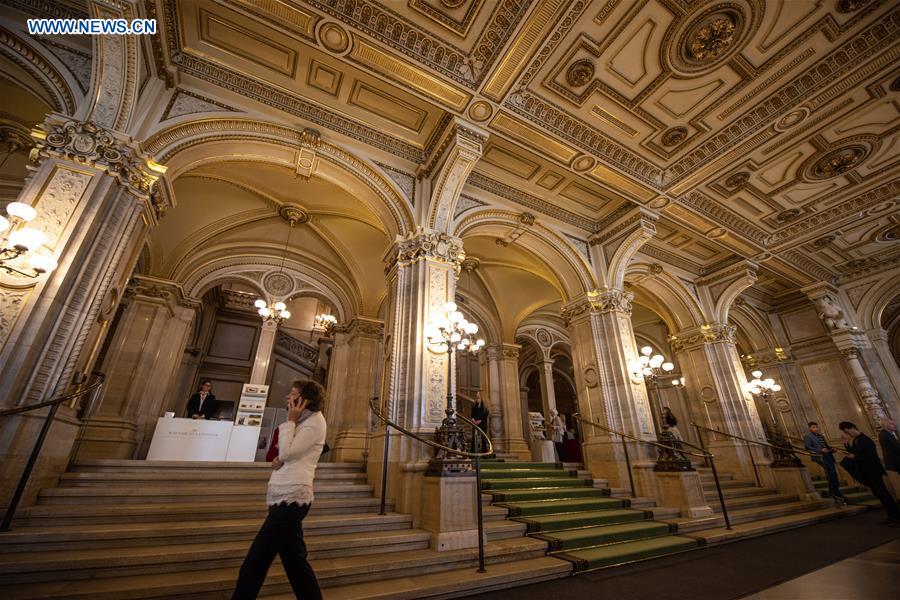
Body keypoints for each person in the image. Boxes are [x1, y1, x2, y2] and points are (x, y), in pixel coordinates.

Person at [233, 380, 327, 599]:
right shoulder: (304, 421)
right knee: (295, 563)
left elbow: (287, 453)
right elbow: (286, 455)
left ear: (304, 401)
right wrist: (278, 458)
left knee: (254, 563)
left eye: (292, 394)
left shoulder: (313, 422)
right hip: (283, 497)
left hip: (292, 499)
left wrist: (289, 422)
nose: (287, 398)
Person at [839, 421, 900, 526]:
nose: (847, 434)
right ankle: (891, 516)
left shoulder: (865, 440)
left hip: (873, 471)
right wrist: (846, 444)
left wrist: (855, 457)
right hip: (867, 472)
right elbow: (854, 453)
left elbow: (871, 455)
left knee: (884, 494)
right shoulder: (856, 440)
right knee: (879, 495)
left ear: (853, 428)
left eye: (847, 431)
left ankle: (897, 517)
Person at [803, 422, 847, 506]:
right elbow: (808, 447)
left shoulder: (821, 436)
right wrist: (820, 450)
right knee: (831, 473)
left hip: (828, 455)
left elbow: (826, 446)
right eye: (813, 427)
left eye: (816, 427)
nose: (815, 428)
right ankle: (835, 492)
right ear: (810, 428)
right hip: (820, 457)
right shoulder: (808, 436)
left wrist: (831, 449)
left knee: (833, 474)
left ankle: (833, 491)